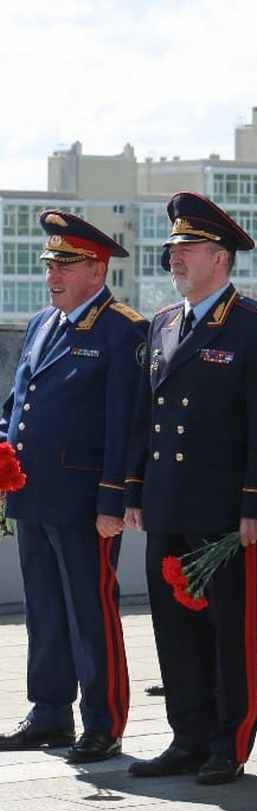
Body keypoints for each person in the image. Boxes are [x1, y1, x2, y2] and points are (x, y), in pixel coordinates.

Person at [124, 192, 257, 785]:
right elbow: (146, 414)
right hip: (170, 501)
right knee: (174, 627)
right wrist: (135, 490)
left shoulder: (256, 326)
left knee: (228, 628)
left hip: (224, 512)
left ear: (219, 258)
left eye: (187, 248)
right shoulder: (164, 323)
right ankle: (186, 734)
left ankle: (229, 741)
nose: (175, 258)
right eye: (172, 248)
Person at [0, 211, 144, 762]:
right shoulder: (42, 323)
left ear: (96, 268)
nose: (52, 273)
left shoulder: (121, 328)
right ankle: (49, 713)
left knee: (91, 609)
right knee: (44, 607)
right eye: (49, 263)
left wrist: (114, 500)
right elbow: (19, 403)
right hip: (34, 493)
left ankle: (102, 722)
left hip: (86, 503)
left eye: (65, 263)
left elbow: (123, 424)